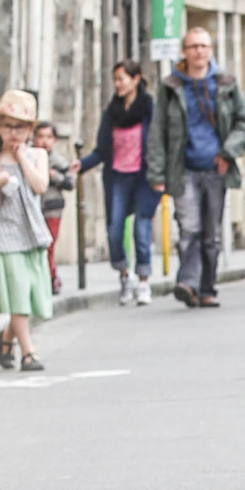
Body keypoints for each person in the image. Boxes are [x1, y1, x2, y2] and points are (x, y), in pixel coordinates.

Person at [147, 27, 245, 309]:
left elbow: (244, 121)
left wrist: (228, 152)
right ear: (184, 51)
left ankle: (207, 288)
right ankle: (188, 283)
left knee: (211, 234)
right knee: (190, 227)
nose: (199, 51)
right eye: (193, 46)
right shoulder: (172, 86)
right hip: (184, 169)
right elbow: (157, 132)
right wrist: (156, 173)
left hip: (216, 168)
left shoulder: (226, 84)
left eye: (204, 46)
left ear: (211, 50)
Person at [0, 90, 52, 371]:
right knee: (18, 293)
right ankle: (28, 352)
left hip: (31, 233)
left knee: (27, 296)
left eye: (20, 127)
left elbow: (40, 186)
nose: (13, 133)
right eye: (7, 125)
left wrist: (23, 159)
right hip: (3, 235)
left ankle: (6, 339)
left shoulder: (38, 154)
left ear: (30, 129)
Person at [71, 61, 161, 306]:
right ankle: (124, 274)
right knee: (114, 230)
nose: (118, 84)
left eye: (122, 79)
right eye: (115, 80)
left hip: (144, 176)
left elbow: (159, 143)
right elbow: (102, 149)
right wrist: (83, 164)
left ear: (135, 79)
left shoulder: (149, 108)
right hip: (117, 177)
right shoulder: (112, 112)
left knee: (141, 229)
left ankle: (144, 281)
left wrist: (161, 175)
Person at [32, 121, 74, 295]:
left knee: (49, 246)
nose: (44, 141)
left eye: (48, 137)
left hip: (52, 209)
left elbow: (70, 183)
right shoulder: (29, 157)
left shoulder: (59, 161)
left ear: (54, 140)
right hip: (33, 209)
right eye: (40, 137)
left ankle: (51, 278)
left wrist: (54, 176)